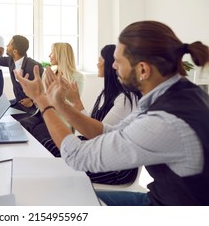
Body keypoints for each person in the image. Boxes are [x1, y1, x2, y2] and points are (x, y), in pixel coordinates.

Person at [14, 20, 209, 206]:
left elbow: (78, 157)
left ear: (143, 69)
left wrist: (42, 100)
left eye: (117, 61)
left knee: (65, 200)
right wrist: (60, 104)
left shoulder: (165, 121)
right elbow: (110, 132)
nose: (113, 66)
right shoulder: (172, 94)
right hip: (161, 199)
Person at [41, 44, 141, 185]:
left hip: (116, 167)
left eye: (100, 60)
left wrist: (68, 102)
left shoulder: (125, 98)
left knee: (54, 150)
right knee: (48, 144)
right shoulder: (106, 93)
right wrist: (74, 101)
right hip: (102, 149)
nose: (97, 63)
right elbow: (94, 127)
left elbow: (99, 136)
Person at [19, 42, 85, 142]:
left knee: (37, 133)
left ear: (60, 55)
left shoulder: (77, 77)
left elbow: (72, 103)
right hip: (42, 113)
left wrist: (54, 93)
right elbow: (43, 96)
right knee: (21, 125)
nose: (49, 55)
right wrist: (34, 97)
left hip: (60, 118)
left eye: (52, 52)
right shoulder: (49, 73)